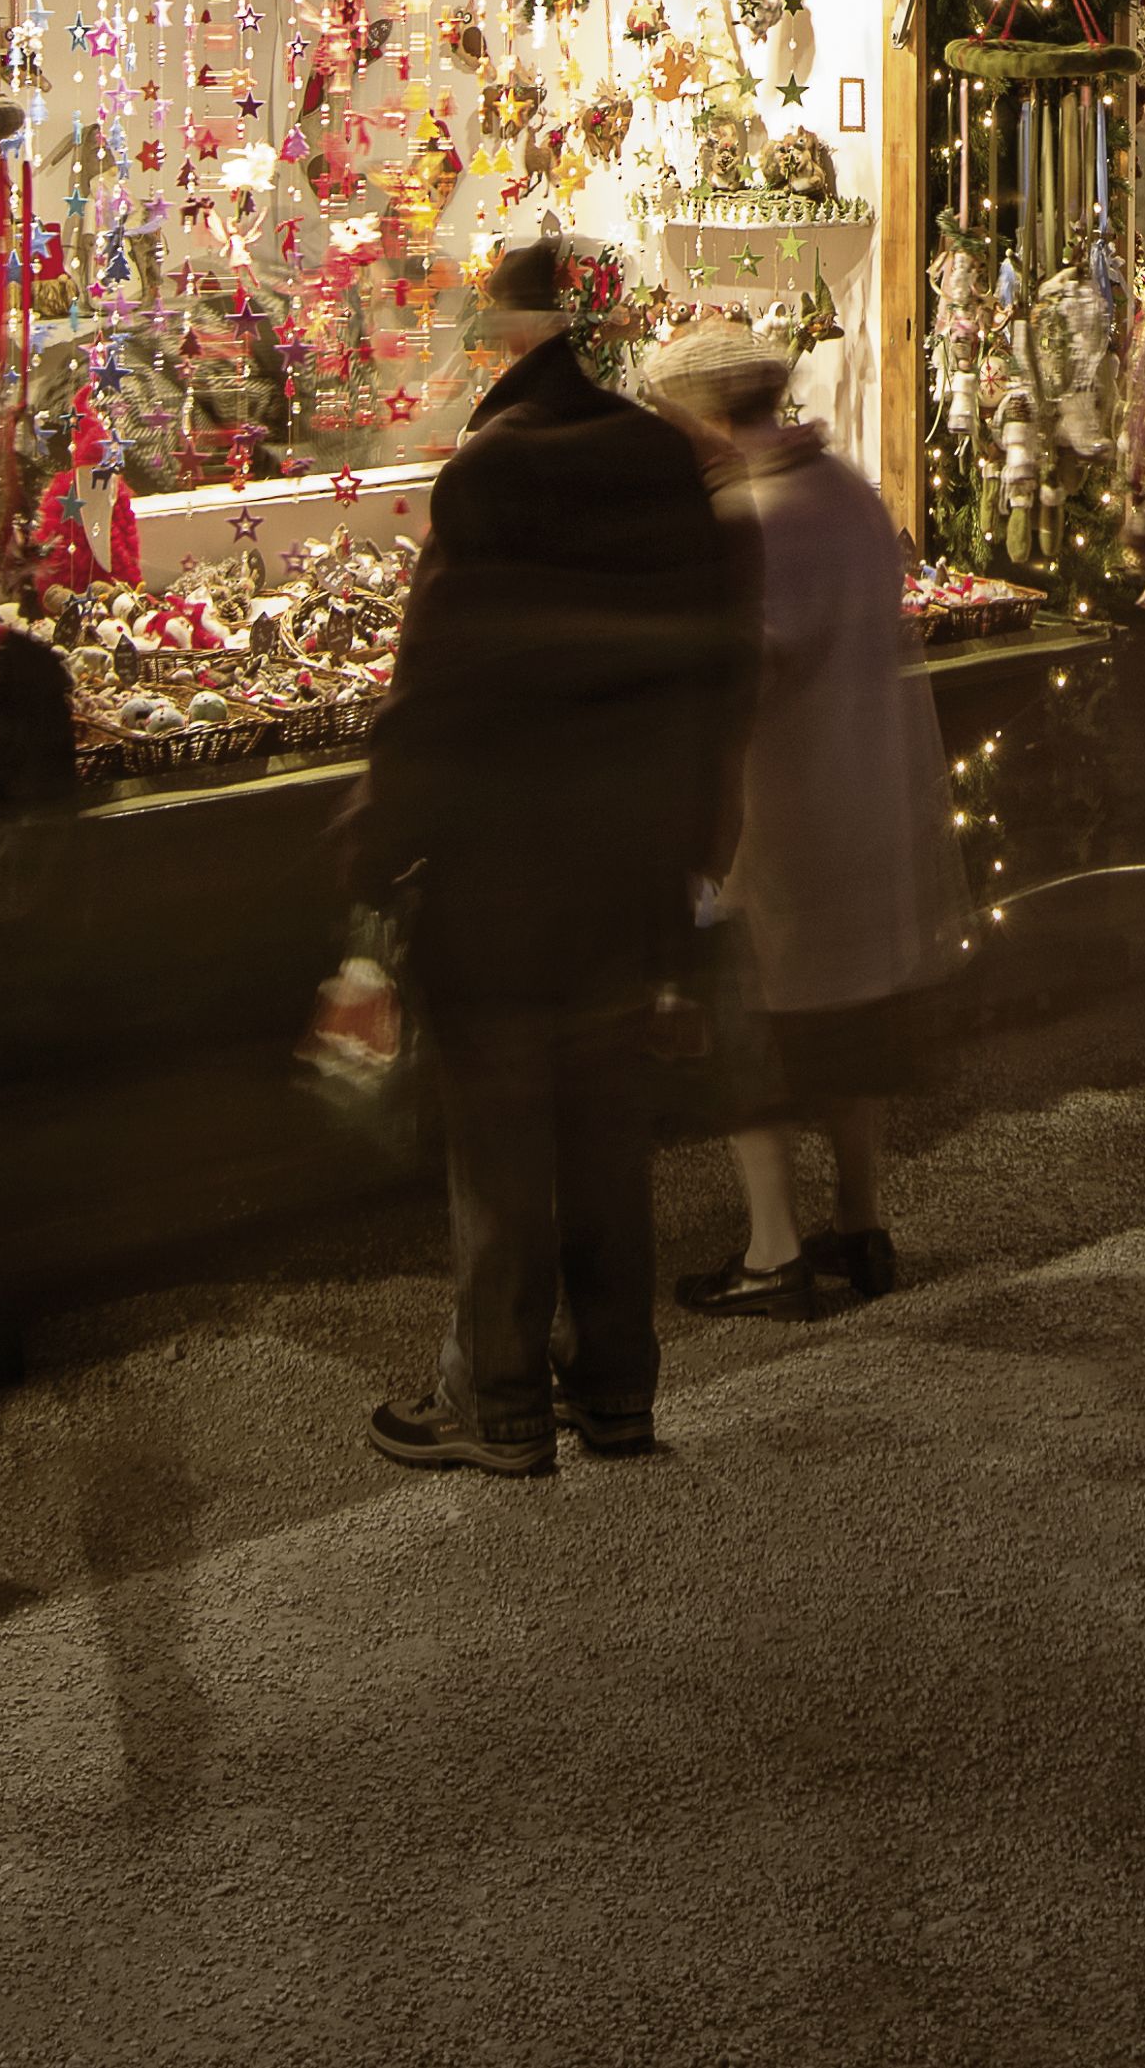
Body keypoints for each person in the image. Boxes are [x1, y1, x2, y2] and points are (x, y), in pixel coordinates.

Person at [342, 240, 750, 1474]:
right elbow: (712, 670)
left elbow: (436, 687)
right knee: (606, 1139)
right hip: (628, 865)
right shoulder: (656, 463)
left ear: (515, 341)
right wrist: (695, 845)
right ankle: (617, 1390)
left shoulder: (491, 475)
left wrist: (377, 851)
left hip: (500, 873)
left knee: (504, 1141)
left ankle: (504, 1403)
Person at [655, 328, 955, 1319]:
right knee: (851, 1034)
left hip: (782, 821)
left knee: (760, 1040)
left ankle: (774, 1252)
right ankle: (862, 1227)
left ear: (702, 420)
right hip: (868, 798)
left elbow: (751, 672)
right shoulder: (847, 493)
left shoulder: (755, 516)